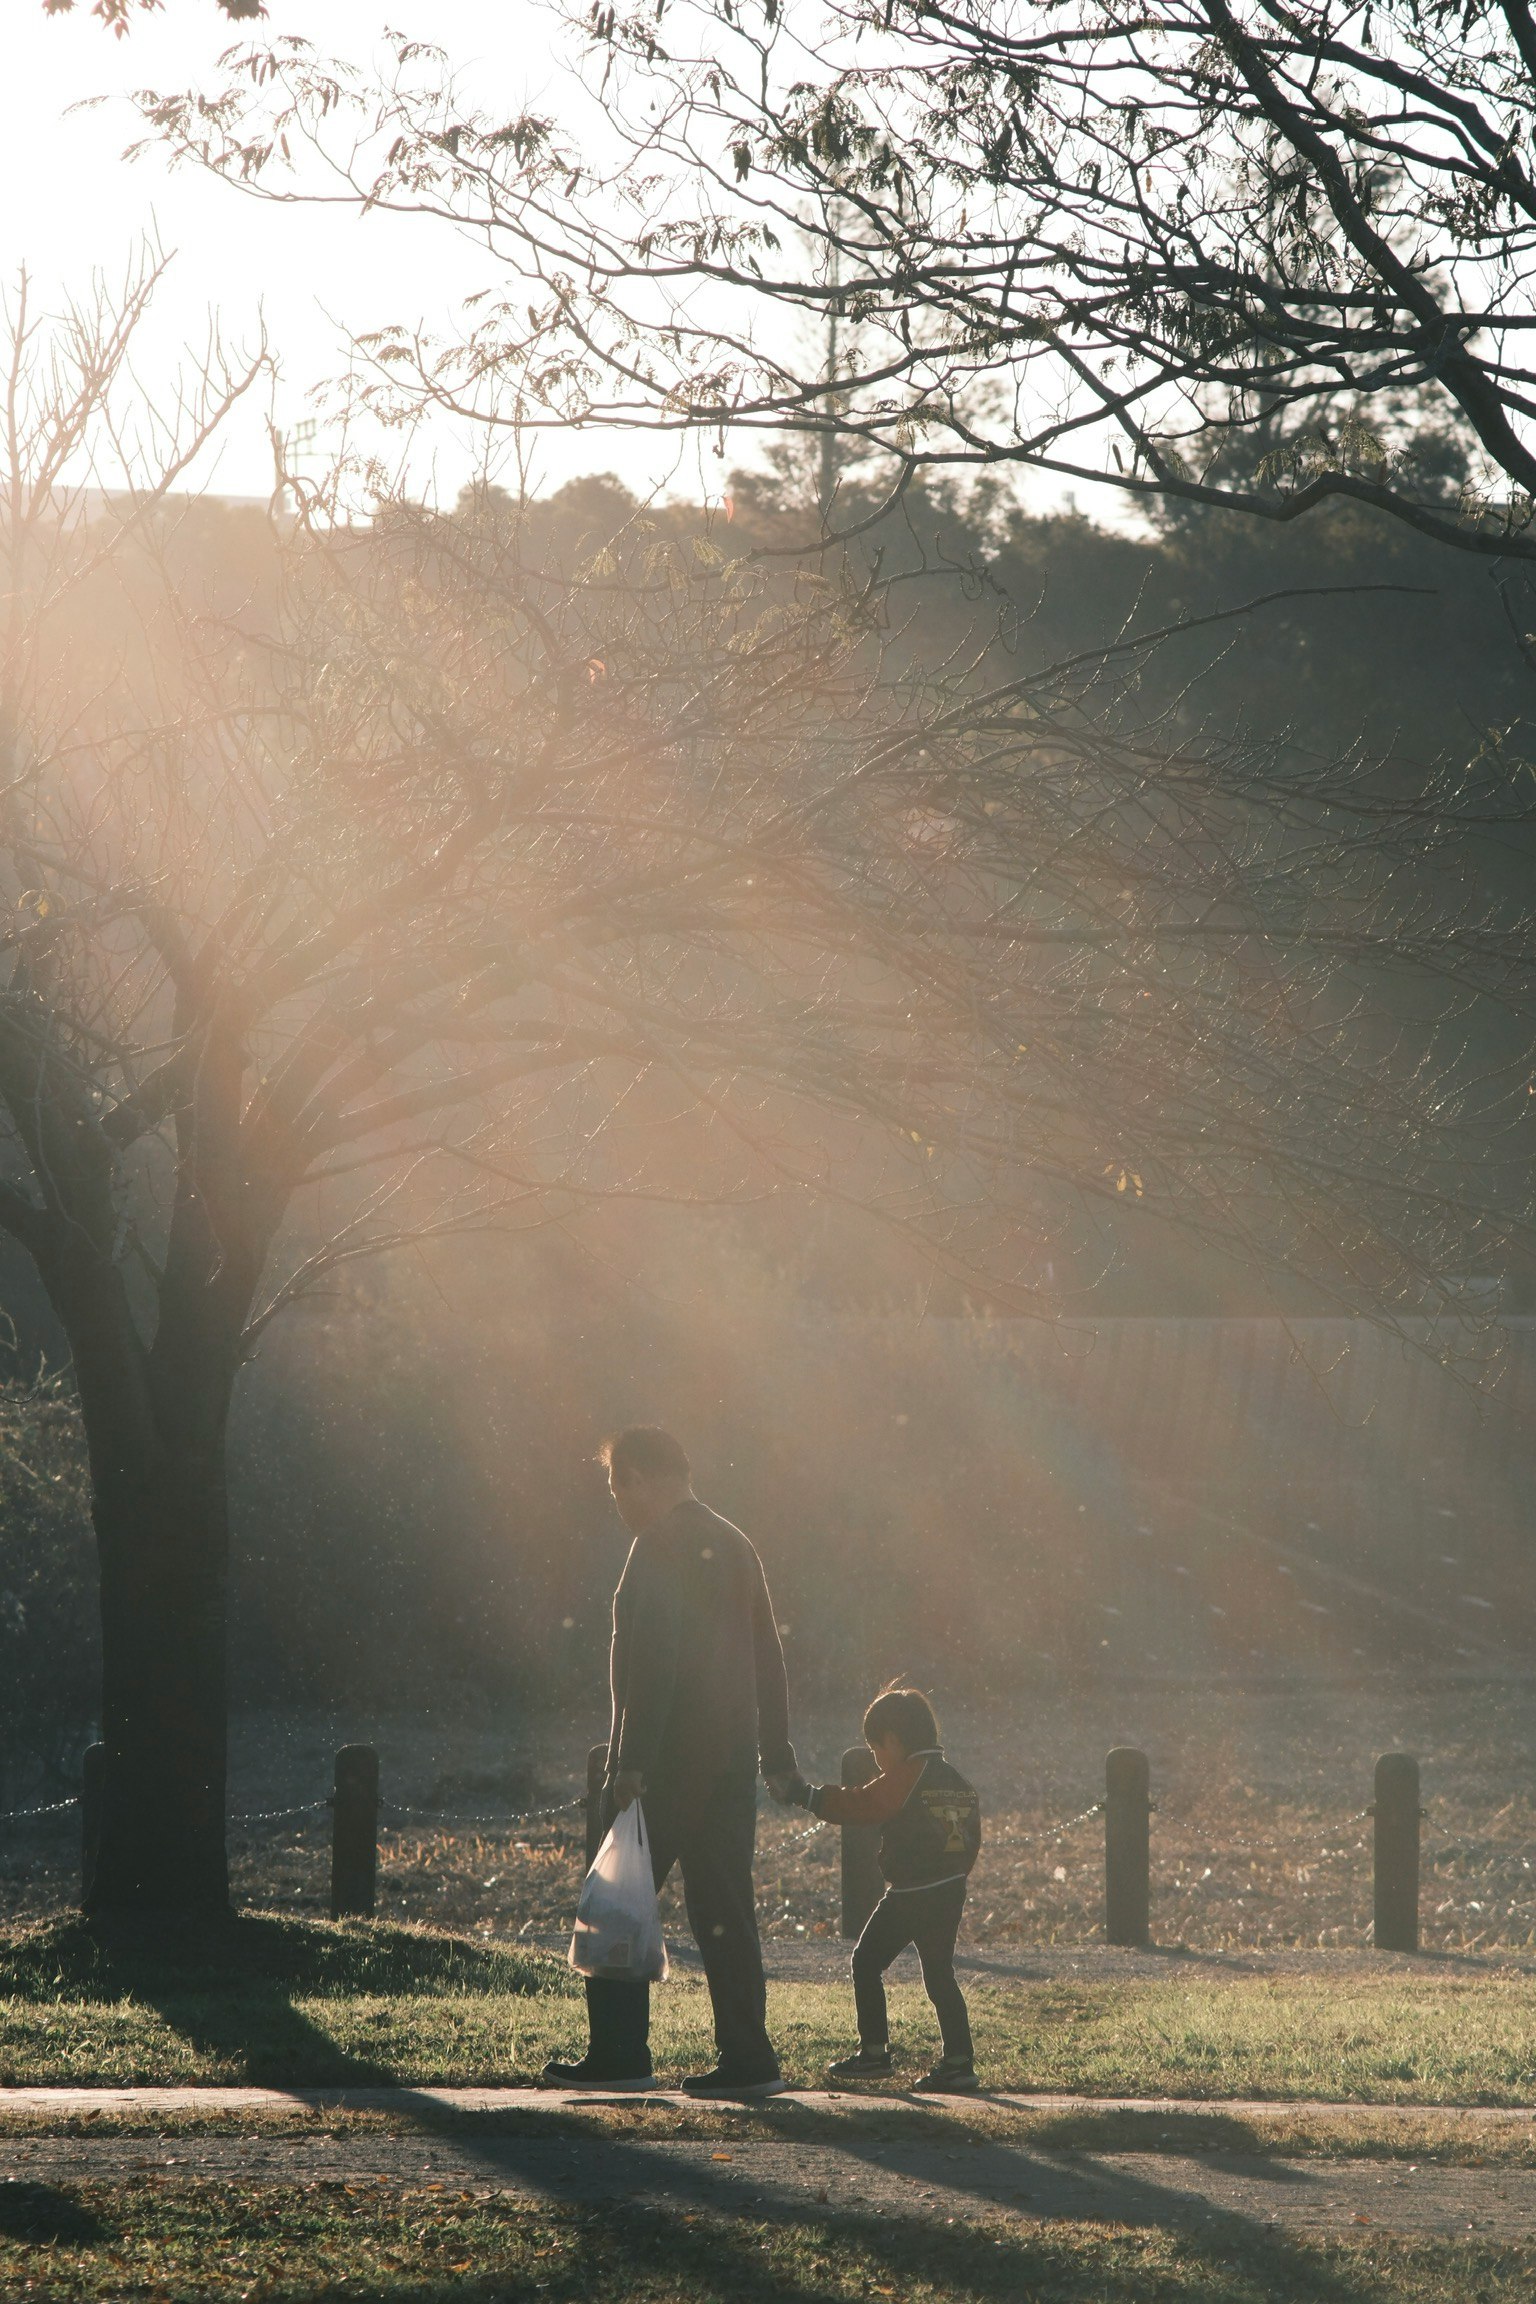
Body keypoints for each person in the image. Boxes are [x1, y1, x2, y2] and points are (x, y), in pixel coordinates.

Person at [542, 1426, 798, 2097]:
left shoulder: (656, 1546)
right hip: (731, 1758)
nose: (616, 1503)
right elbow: (769, 1656)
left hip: (664, 1762)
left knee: (617, 1903)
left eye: (613, 1487)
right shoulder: (737, 1543)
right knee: (725, 1909)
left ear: (637, 1476)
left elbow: (654, 1658)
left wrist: (630, 1761)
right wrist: (777, 1753)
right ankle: (749, 2058)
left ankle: (621, 2054)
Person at [778, 1686, 981, 2093]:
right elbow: (972, 1840)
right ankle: (959, 2062)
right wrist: (954, 1876)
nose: (876, 1760)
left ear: (892, 1739)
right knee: (941, 1975)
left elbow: (861, 1805)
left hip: (912, 1892)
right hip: (950, 1888)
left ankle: (874, 2054)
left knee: (866, 1963)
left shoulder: (907, 1776)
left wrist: (805, 1795)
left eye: (875, 1748)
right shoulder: (957, 1779)